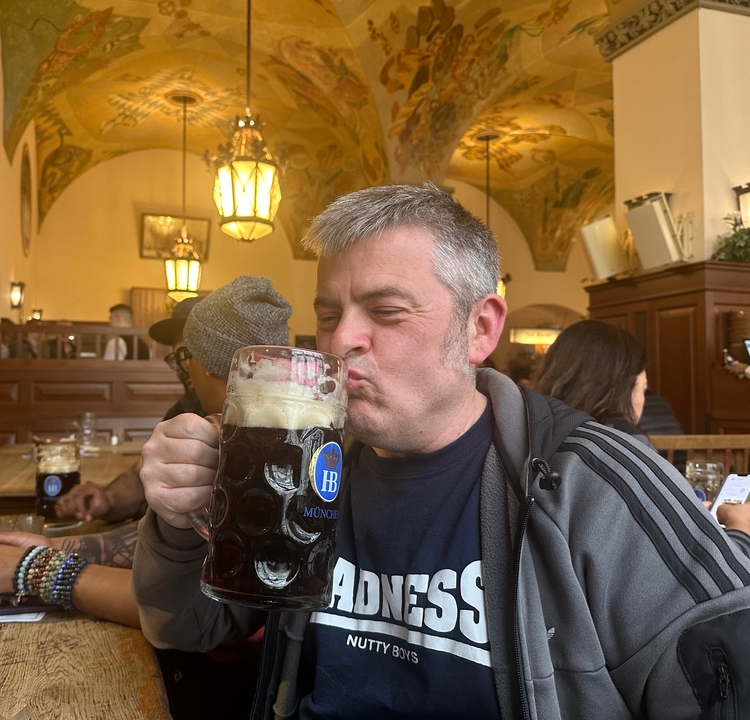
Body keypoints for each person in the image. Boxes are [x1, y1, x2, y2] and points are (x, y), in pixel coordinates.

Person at [132, 183, 750, 719]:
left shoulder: (590, 482)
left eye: (386, 311)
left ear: (480, 329)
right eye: (328, 314)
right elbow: (187, 626)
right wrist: (179, 520)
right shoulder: (306, 466)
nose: (341, 339)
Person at [0, 276, 292, 631]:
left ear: (220, 366)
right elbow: (168, 529)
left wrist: (36, 567)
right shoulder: (196, 410)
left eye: (185, 354)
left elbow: (179, 613)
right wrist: (60, 542)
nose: (180, 367)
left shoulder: (263, 452)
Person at [56, 296, 206, 524]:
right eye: (175, 358)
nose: (181, 370)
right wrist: (108, 498)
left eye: (187, 355)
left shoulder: (241, 421)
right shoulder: (182, 410)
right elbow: (142, 474)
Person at [531, 319, 652, 446]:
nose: (643, 400)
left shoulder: (529, 429)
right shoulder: (628, 441)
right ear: (619, 389)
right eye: (642, 389)